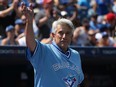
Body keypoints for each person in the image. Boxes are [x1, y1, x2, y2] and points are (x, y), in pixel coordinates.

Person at [21, 2, 84, 87]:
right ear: (53, 35)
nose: (64, 36)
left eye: (68, 33)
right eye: (61, 33)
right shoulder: (44, 50)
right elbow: (30, 42)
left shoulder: (76, 55)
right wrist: (29, 21)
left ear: (72, 36)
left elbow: (77, 83)